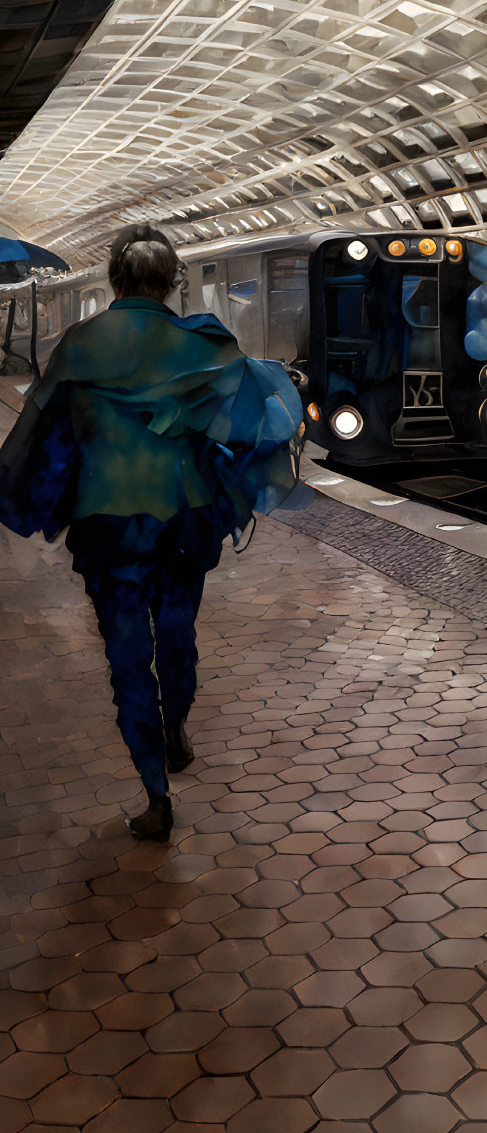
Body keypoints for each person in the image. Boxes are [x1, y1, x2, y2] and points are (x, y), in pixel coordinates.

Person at [0, 225, 305, 841]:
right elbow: (250, 423)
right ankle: (176, 729)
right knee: (177, 633)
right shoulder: (205, 344)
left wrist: (25, 492)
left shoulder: (80, 344)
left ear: (113, 279)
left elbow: (39, 434)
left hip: (106, 524)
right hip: (184, 519)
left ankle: (156, 795)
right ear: (173, 282)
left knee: (126, 656)